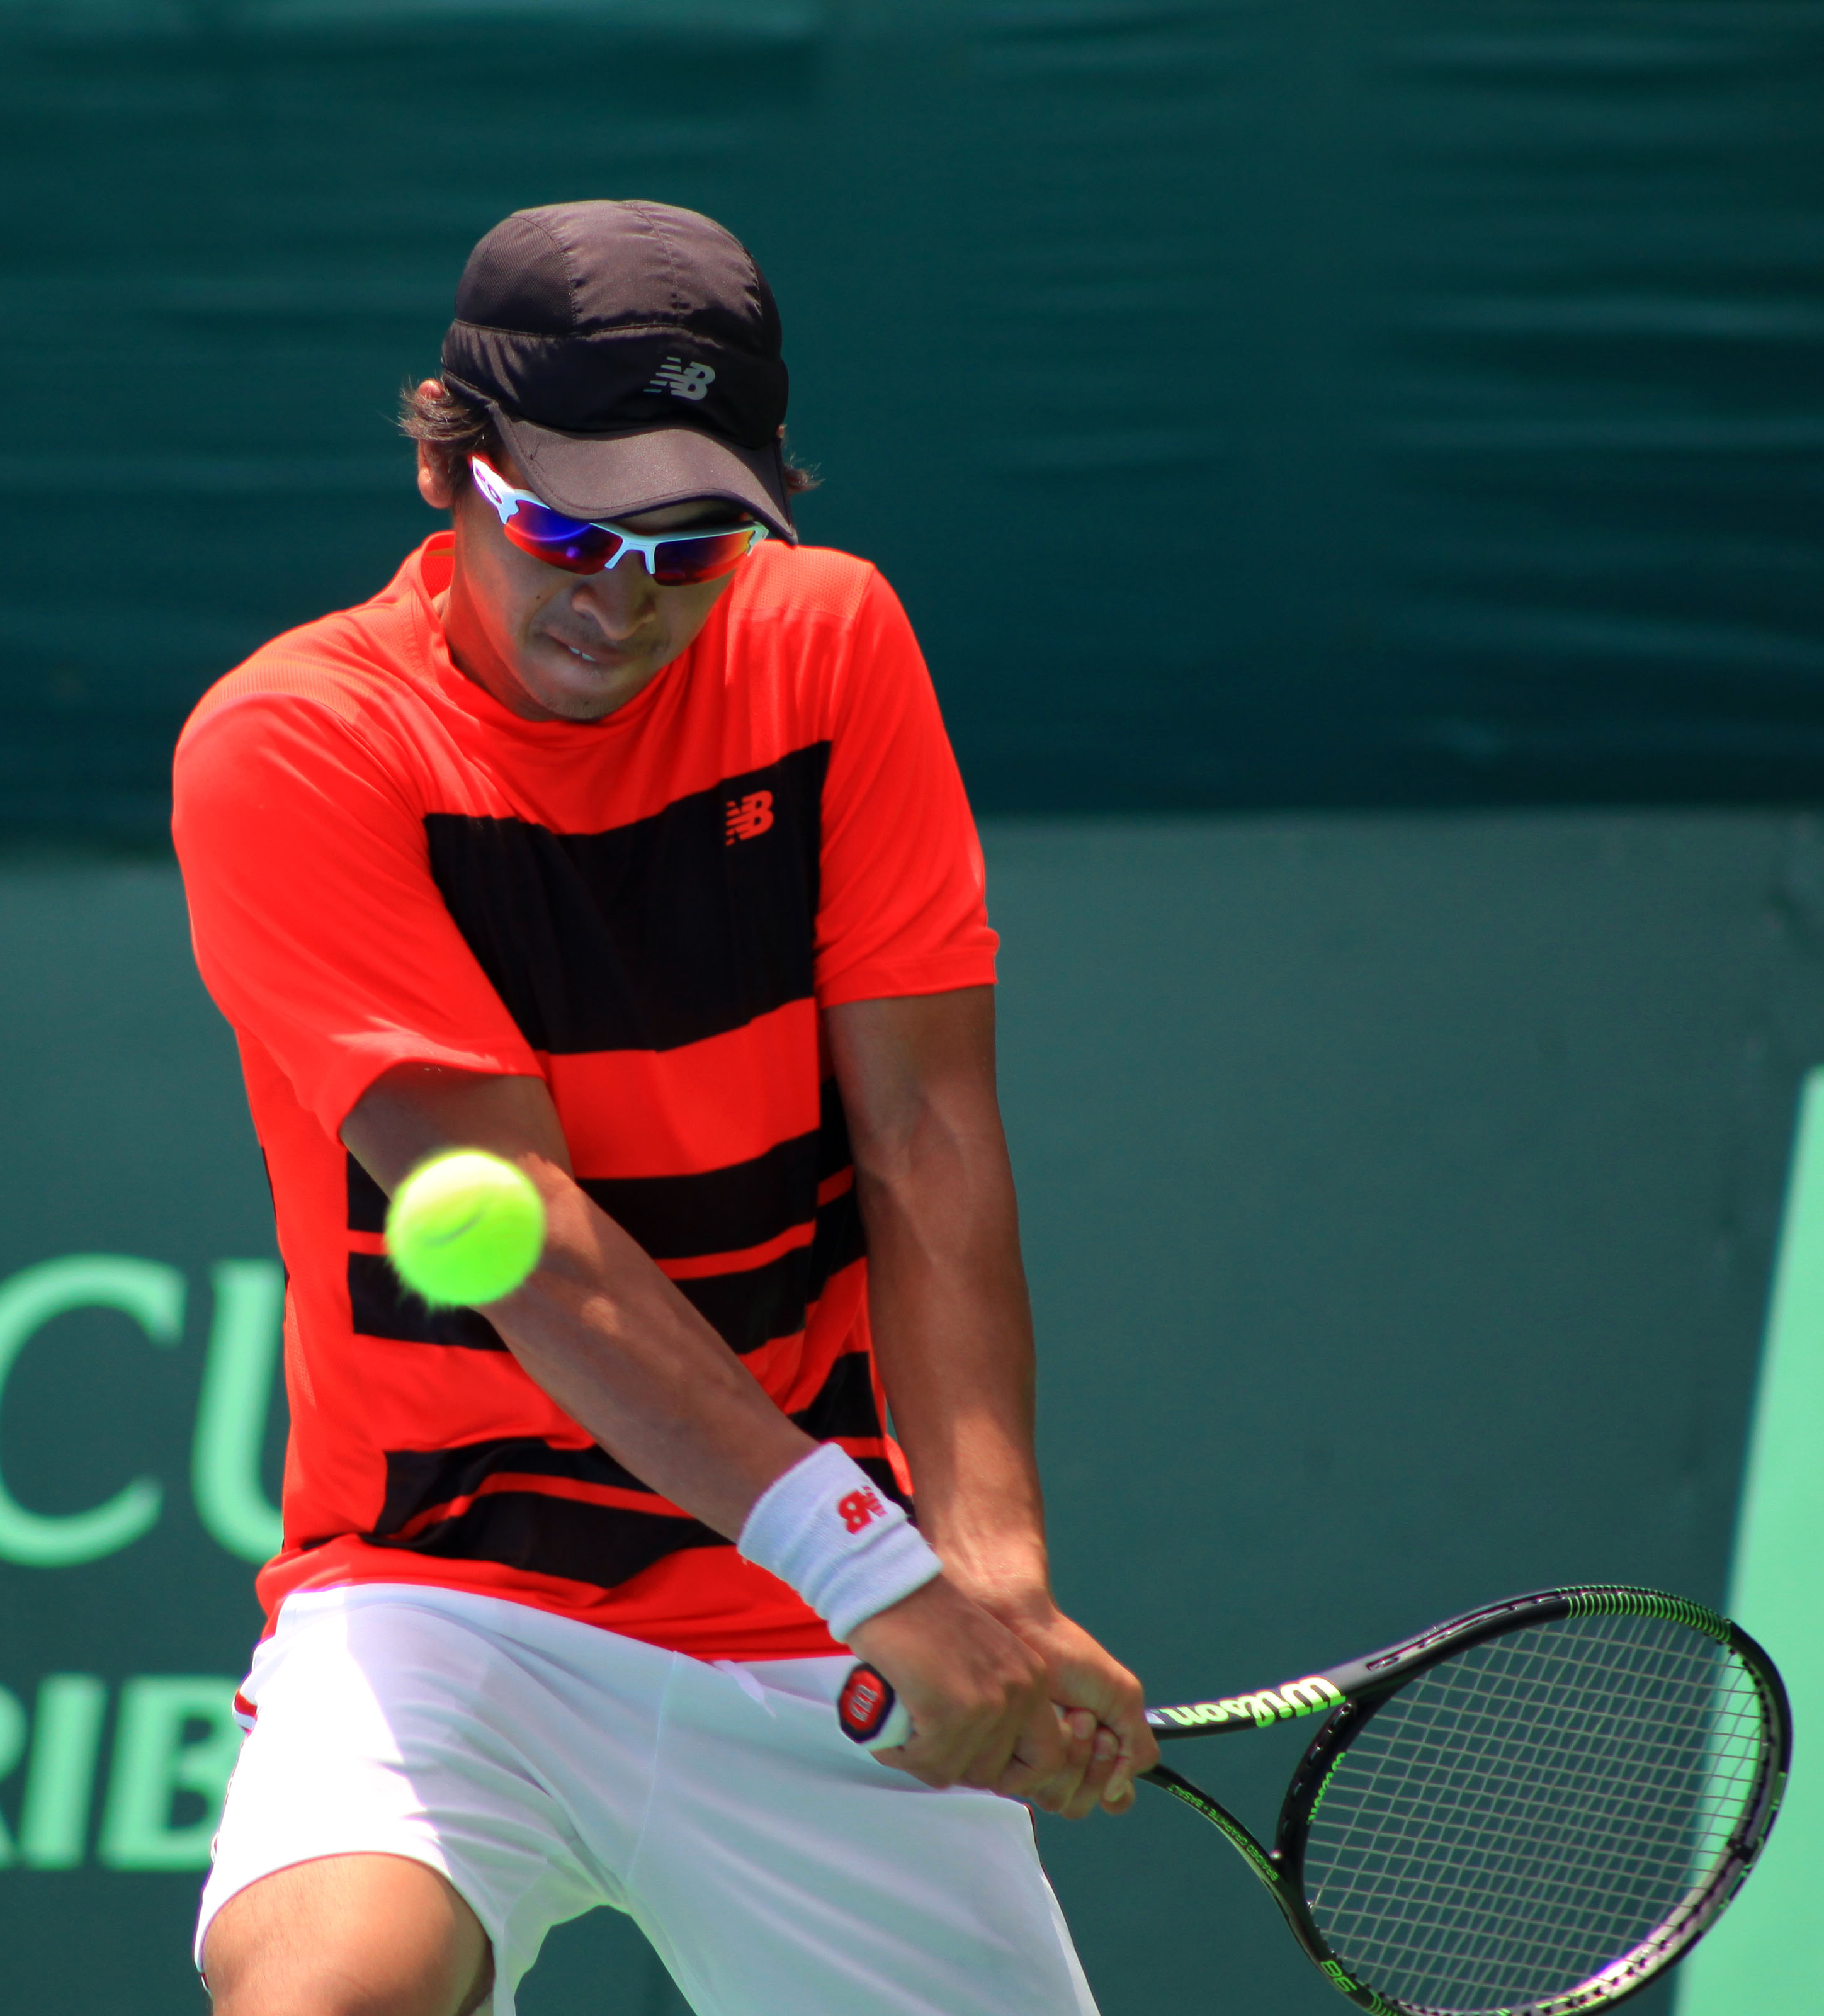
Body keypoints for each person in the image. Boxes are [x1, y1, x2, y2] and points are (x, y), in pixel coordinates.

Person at [168, 199, 1156, 2016]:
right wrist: (880, 1576)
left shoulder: (831, 642)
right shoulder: (296, 744)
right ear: (446, 469)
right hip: (447, 1590)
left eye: (686, 546)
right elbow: (525, 1238)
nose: (616, 599)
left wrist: (992, 1583)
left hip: (818, 1627)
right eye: (564, 529)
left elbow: (926, 1139)